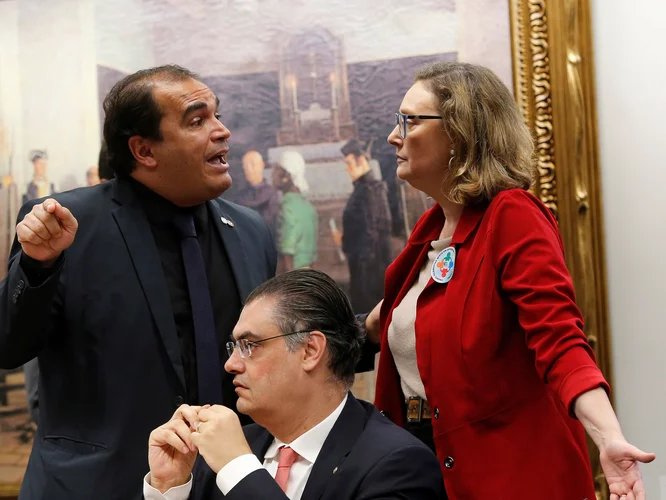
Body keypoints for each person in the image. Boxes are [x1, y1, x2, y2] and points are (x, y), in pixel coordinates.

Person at [0, 64, 277, 500]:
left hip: (225, 487)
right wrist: (37, 266)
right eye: (198, 120)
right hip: (98, 485)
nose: (222, 131)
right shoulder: (65, 225)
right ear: (144, 150)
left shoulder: (249, 230)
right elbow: (4, 347)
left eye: (217, 115)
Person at [362, 61, 655, 499]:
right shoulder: (428, 234)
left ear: (460, 133)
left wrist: (608, 435)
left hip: (509, 475)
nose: (394, 135)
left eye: (410, 120)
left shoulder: (511, 215)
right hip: (425, 467)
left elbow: (559, 337)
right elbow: (395, 325)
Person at [143, 269, 443, 500]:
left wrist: (239, 468)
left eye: (250, 345)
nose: (230, 364)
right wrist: (169, 487)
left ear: (310, 350)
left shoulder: (397, 464)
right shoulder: (221, 451)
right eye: (233, 347)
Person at [332, 138, 392, 313]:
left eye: (349, 163)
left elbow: (373, 234)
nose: (347, 168)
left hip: (369, 272)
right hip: (362, 266)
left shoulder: (370, 190)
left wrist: (365, 277)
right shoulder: (364, 189)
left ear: (361, 161)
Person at [273, 150, 318, 273]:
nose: (273, 174)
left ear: (287, 177)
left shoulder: (287, 208)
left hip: (294, 276)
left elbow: (288, 249)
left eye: (277, 170)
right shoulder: (308, 207)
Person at [234, 150, 279, 235]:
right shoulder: (241, 198)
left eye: (252, 164)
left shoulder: (274, 194)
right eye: (245, 166)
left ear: (262, 165)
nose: (248, 169)